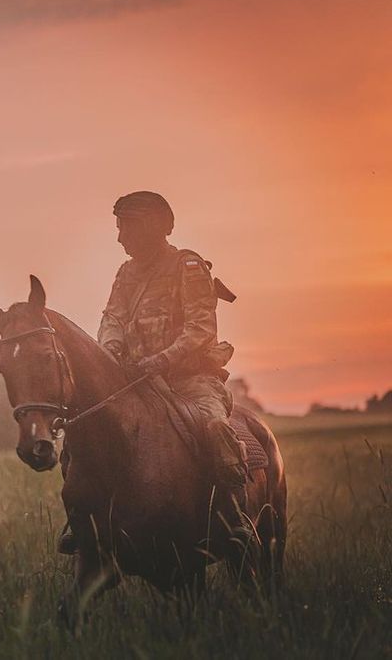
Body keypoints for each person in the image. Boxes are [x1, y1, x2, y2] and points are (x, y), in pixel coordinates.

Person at [59, 190, 243, 554]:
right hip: (135, 381)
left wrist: (163, 359)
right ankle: (83, 521)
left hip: (190, 381)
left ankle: (236, 519)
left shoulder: (187, 266)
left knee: (215, 428)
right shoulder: (126, 273)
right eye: (118, 227)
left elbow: (200, 328)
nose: (119, 237)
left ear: (152, 226)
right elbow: (111, 317)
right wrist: (108, 349)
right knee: (83, 431)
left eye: (125, 227)